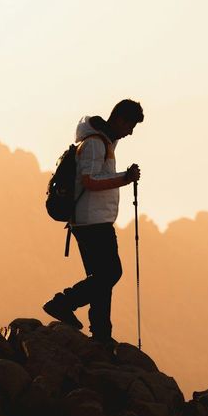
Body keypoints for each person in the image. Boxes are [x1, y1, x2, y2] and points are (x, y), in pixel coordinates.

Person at [42, 99, 144, 345]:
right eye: (130, 126)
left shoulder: (104, 141)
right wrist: (125, 178)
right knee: (111, 273)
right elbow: (89, 181)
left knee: (100, 277)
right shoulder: (94, 144)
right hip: (91, 221)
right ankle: (62, 303)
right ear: (120, 119)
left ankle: (101, 334)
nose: (130, 133)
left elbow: (96, 174)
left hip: (94, 219)